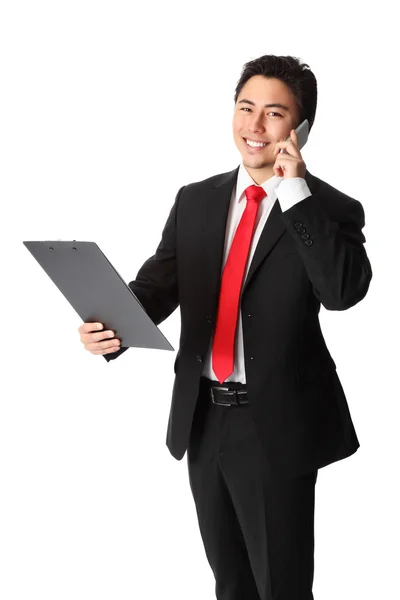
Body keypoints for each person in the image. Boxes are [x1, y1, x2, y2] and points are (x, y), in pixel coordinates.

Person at [78, 54, 372, 600]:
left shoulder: (329, 209)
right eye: (245, 108)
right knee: (230, 584)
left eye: (274, 113)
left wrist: (296, 194)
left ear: (300, 127)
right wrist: (108, 326)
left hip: (276, 424)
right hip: (203, 420)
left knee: (280, 587)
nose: (254, 127)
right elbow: (157, 288)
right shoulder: (197, 200)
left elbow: (343, 292)